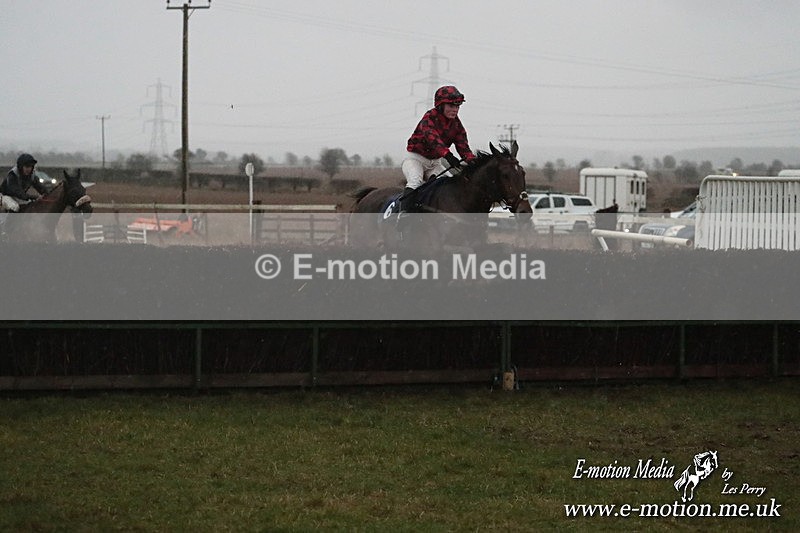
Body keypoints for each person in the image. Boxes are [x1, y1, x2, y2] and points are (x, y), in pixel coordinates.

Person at [398, 85, 476, 215]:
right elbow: (433, 140)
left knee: (449, 185)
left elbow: (463, 147)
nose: (455, 110)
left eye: (457, 106)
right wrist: (449, 156)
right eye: (451, 106)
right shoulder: (429, 118)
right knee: (415, 181)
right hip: (415, 159)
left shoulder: (456, 124)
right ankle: (403, 214)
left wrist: (473, 162)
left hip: (435, 163)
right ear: (441, 106)